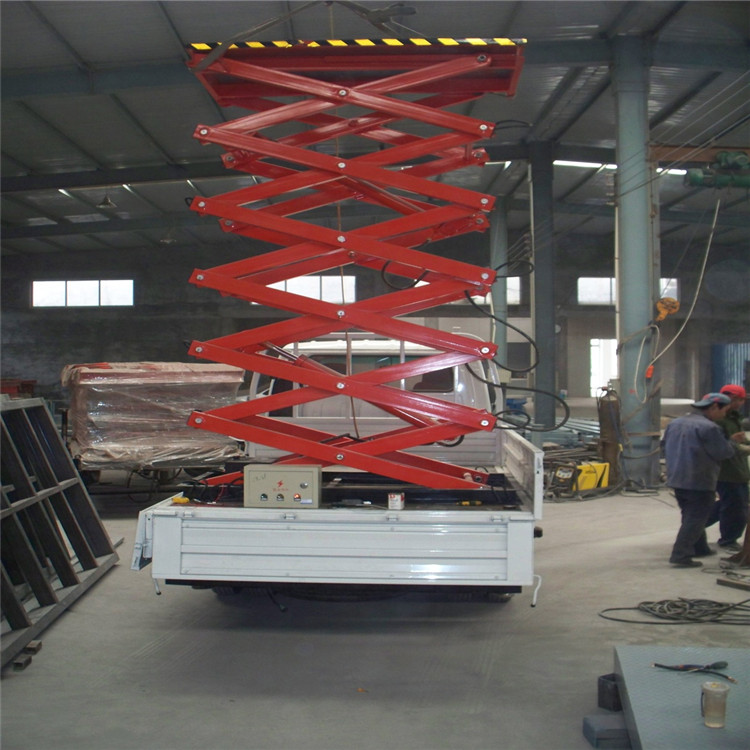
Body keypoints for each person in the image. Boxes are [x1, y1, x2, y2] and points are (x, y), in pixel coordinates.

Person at [661, 393, 746, 568]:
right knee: (696, 518)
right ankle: (681, 555)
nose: (724, 415)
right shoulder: (709, 428)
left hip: (677, 477)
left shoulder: (676, 423)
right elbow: (723, 453)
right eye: (724, 410)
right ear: (714, 407)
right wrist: (732, 441)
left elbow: (664, 447)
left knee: (690, 514)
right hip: (699, 479)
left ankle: (700, 548)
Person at [705, 384, 750, 552]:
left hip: (737, 468)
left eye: (740, 400)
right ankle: (728, 539)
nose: (737, 403)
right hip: (727, 471)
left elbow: (739, 440)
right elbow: (723, 446)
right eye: (735, 399)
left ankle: (695, 524)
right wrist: (744, 448)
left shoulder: (733, 418)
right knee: (736, 506)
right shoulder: (719, 420)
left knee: (729, 503)